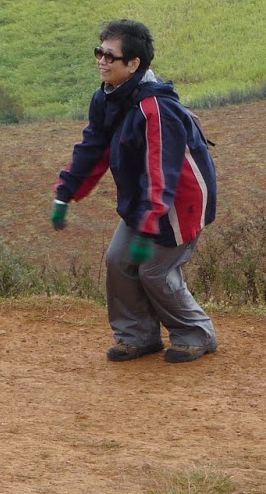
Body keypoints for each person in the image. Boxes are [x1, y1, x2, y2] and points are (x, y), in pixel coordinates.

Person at [51, 18, 218, 363]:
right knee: (118, 260)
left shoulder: (156, 108)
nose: (101, 61)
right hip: (144, 198)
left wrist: (149, 224)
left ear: (133, 63)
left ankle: (195, 333)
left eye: (110, 56)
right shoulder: (106, 97)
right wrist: (64, 193)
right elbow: (92, 147)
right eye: (99, 52)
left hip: (179, 200)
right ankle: (137, 335)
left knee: (154, 270)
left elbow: (162, 171)